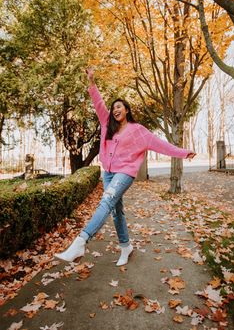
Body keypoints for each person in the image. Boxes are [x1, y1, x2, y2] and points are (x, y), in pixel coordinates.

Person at [55, 68, 196, 266]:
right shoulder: (107, 124)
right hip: (109, 173)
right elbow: (98, 103)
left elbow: (161, 145)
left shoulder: (138, 131)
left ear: (127, 109)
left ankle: (80, 242)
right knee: (115, 210)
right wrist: (92, 82)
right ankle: (125, 246)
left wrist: (183, 152)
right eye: (114, 108)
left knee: (106, 201)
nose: (115, 110)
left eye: (119, 107)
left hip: (125, 173)